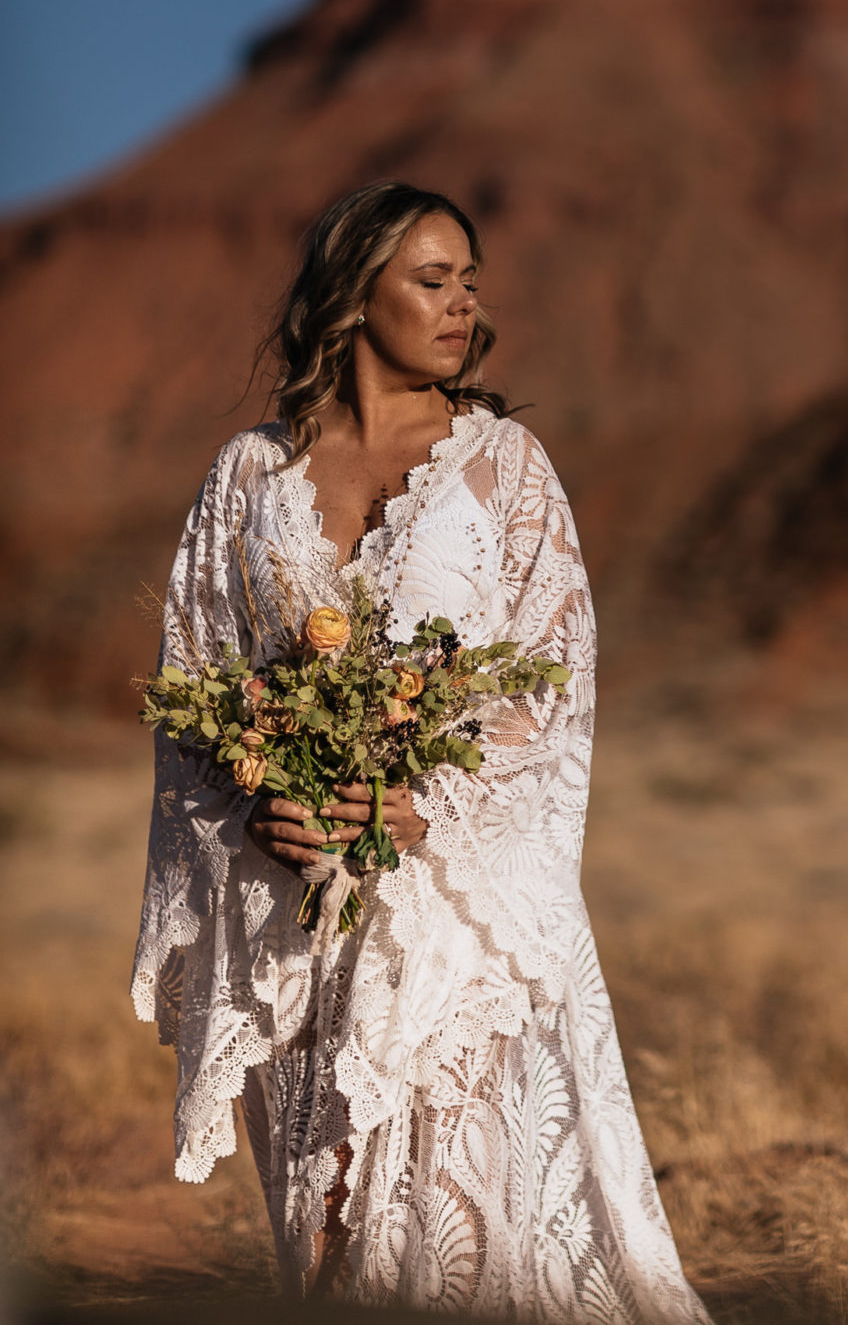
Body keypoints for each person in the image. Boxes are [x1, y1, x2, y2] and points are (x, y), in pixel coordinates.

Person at [132, 180, 711, 1321]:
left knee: (469, 1228)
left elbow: (552, 685)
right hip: (295, 914)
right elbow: (197, 678)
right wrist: (256, 808)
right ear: (356, 293)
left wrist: (419, 807)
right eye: (433, 279)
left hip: (457, 922)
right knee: (326, 1223)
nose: (464, 305)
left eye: (471, 280)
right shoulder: (248, 477)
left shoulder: (506, 466)